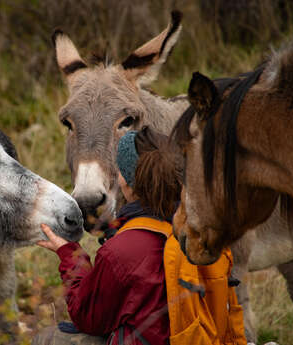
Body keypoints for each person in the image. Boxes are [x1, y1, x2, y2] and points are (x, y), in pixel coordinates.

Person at [33, 127, 247, 345]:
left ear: (127, 181)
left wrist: (71, 254)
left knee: (47, 339)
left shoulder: (122, 251)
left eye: (119, 170)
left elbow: (88, 317)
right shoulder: (203, 233)